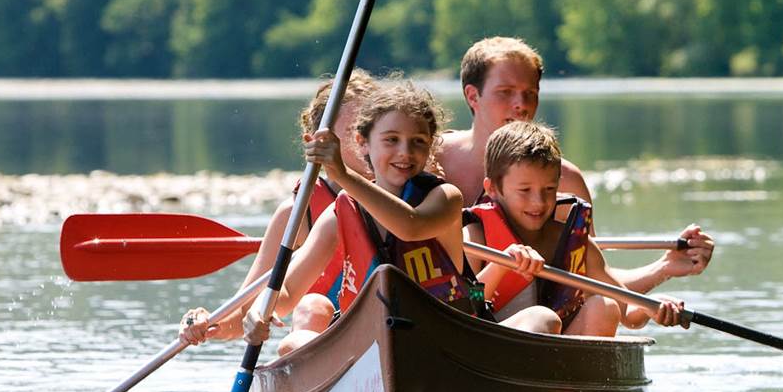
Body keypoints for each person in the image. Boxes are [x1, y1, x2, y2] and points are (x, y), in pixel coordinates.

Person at [435, 37, 715, 293]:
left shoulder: (565, 180)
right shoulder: (430, 159)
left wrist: (664, 267)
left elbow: (595, 282)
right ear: (473, 96)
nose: (521, 104)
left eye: (530, 93)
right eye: (506, 92)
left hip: (525, 321)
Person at [242, 78, 476, 356]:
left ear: (430, 147)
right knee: (294, 343)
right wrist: (259, 309)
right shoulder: (341, 212)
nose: (405, 152)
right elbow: (289, 291)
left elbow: (410, 227)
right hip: (371, 346)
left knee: (539, 318)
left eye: (418, 142)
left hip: (441, 341)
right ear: (362, 142)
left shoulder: (445, 197)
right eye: (391, 139)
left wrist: (342, 174)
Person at [178, 70, 375, 345]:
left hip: (389, 325)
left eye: (374, 129)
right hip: (326, 337)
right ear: (316, 141)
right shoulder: (296, 215)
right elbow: (245, 311)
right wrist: (208, 324)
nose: (367, 141)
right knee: (312, 306)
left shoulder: (404, 194)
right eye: (356, 131)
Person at [465, 121, 686, 338]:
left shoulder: (578, 246)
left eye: (549, 189)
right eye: (524, 190)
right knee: (543, 318)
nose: (538, 202)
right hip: (492, 344)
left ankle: (576, 373)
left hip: (557, 359)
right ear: (492, 188)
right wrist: (499, 265)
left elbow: (626, 313)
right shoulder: (476, 235)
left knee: (605, 305)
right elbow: (464, 303)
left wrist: (653, 308)